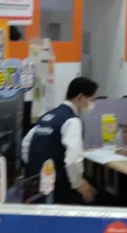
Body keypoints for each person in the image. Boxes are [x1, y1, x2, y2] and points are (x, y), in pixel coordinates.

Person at [23, 77, 100, 205]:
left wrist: (36, 168)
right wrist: (78, 183)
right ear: (80, 97)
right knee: (97, 194)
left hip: (34, 184)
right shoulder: (72, 120)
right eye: (92, 100)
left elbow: (26, 145)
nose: (92, 105)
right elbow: (73, 159)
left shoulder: (47, 116)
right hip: (57, 188)